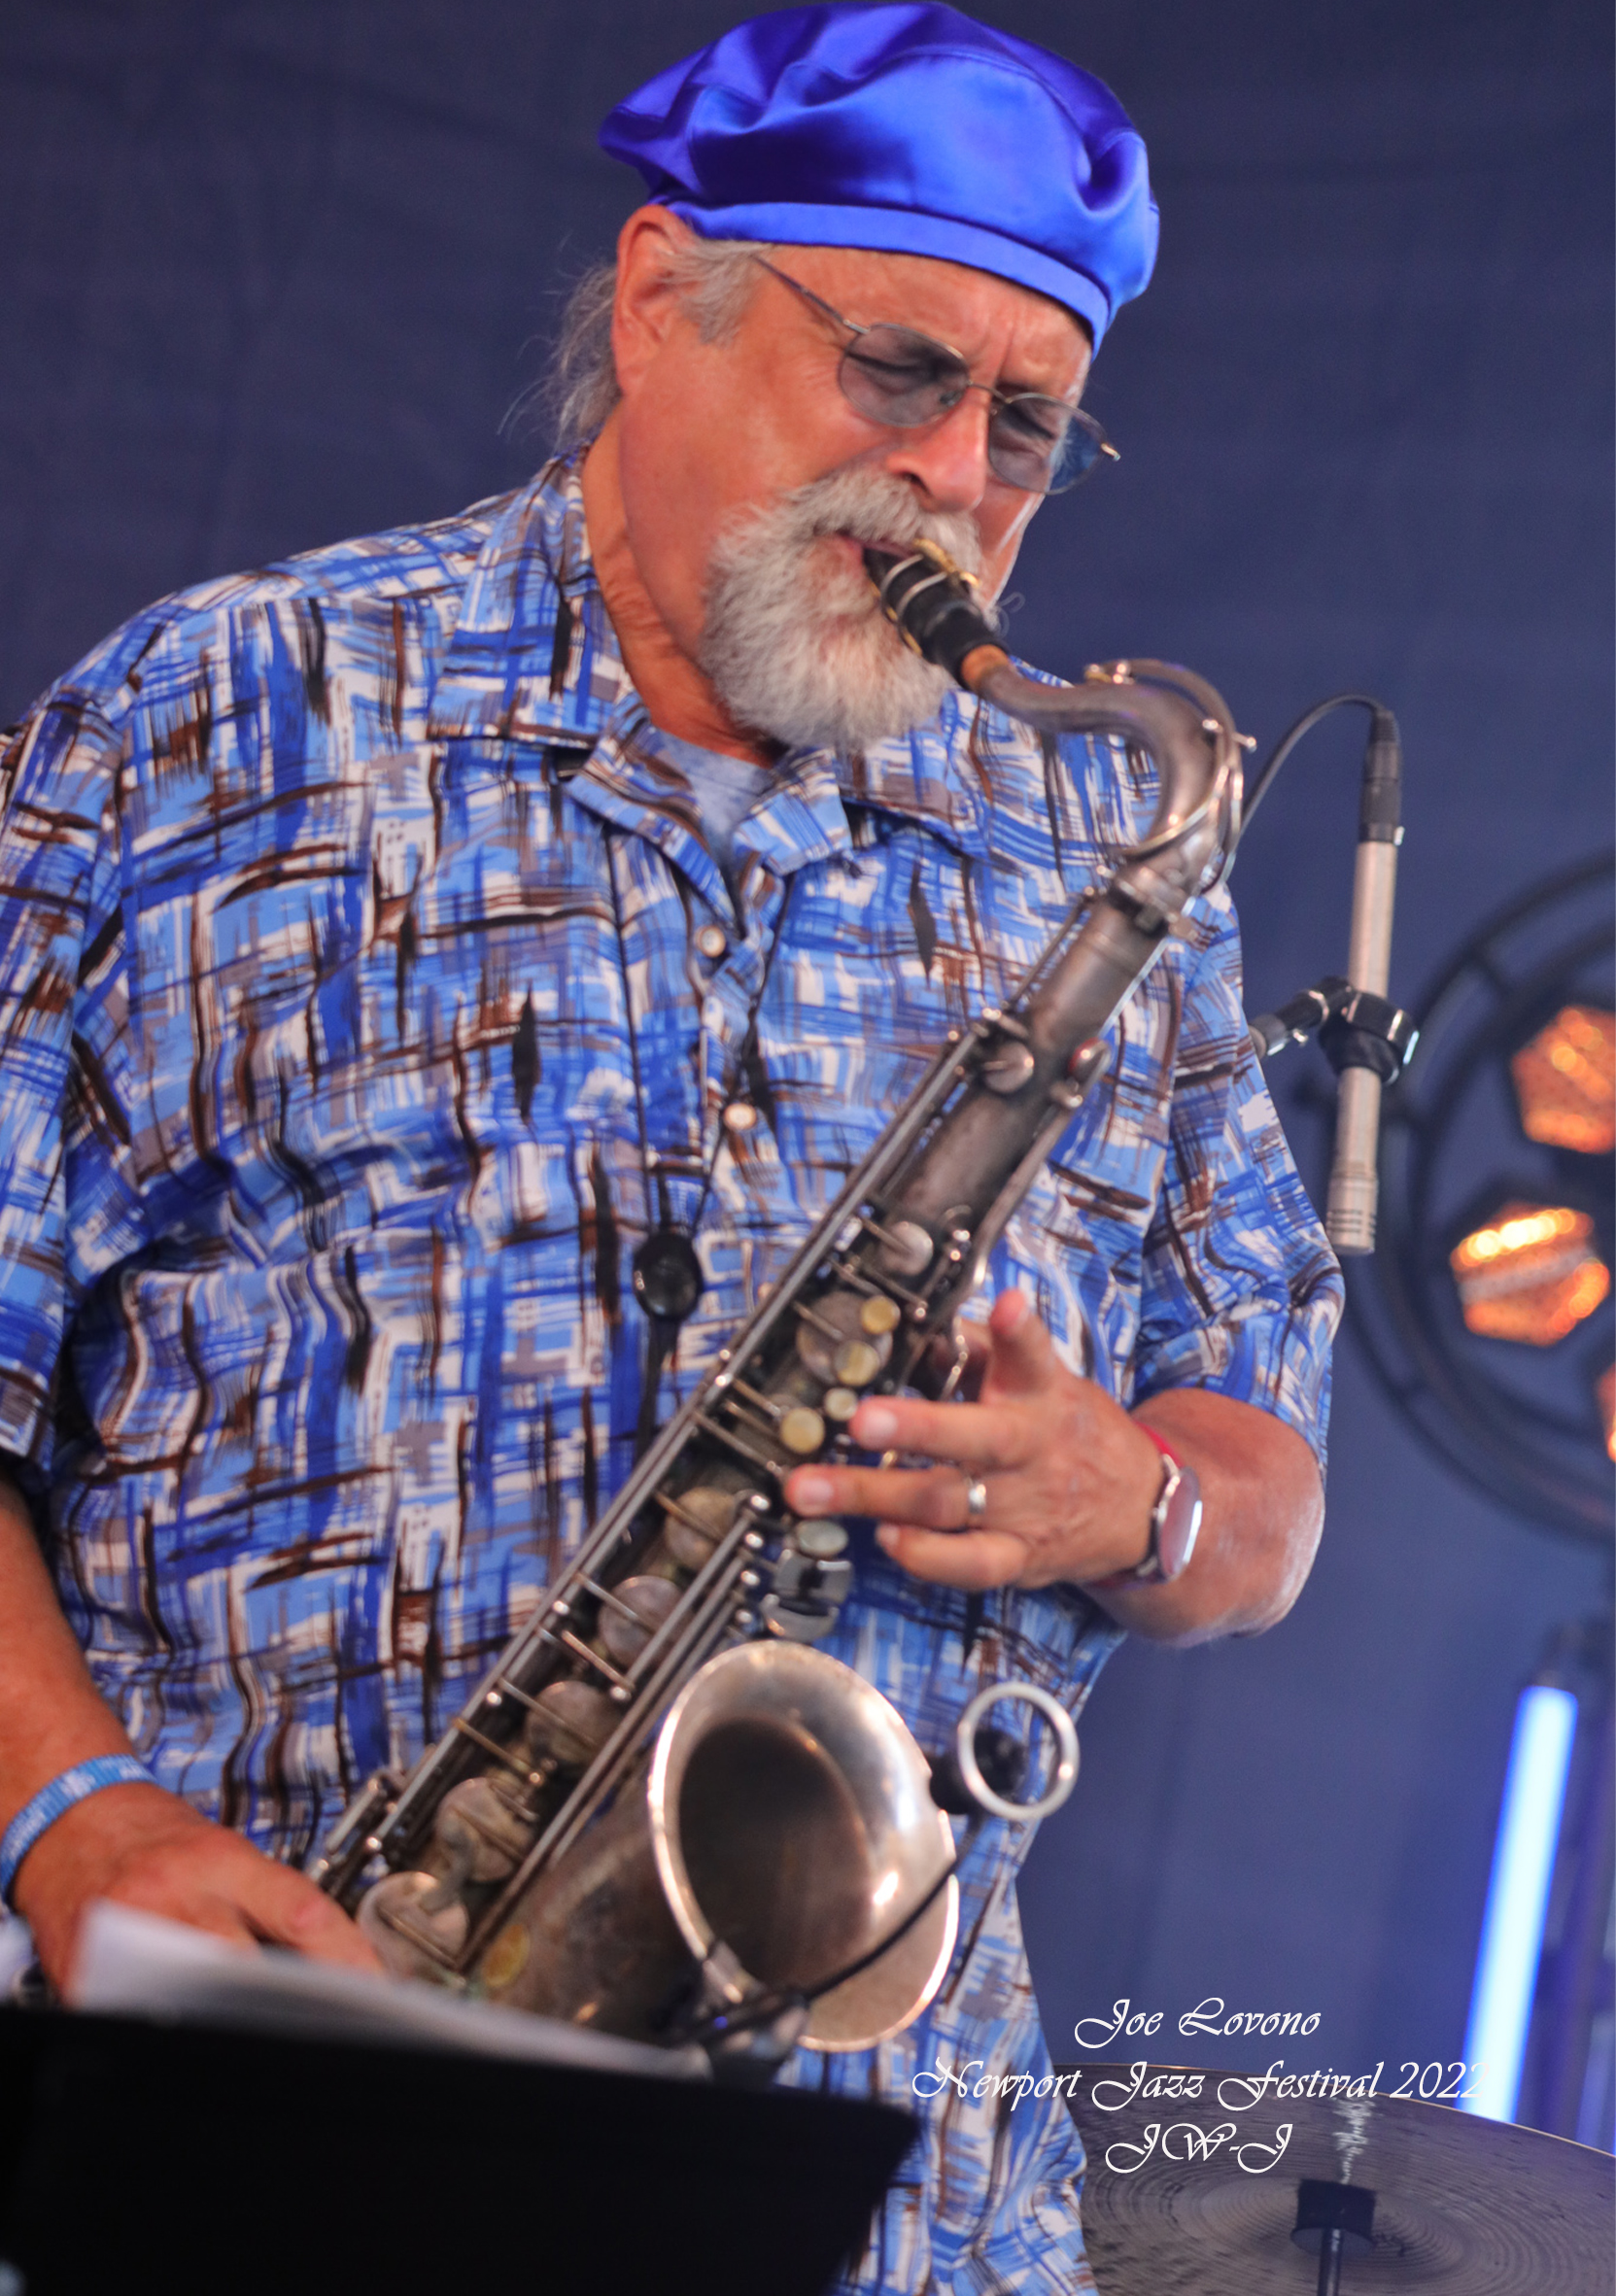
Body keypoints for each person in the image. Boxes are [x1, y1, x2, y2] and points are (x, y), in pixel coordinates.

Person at [0, 6, 1340, 2287]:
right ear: (658, 295)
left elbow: (1271, 1500)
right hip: (257, 2129)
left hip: (894, 2212)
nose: (957, 480)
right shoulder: (215, 719)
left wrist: (1146, 1498)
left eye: (1029, 425)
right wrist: (60, 1812)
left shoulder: (1107, 845)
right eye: (901, 371)